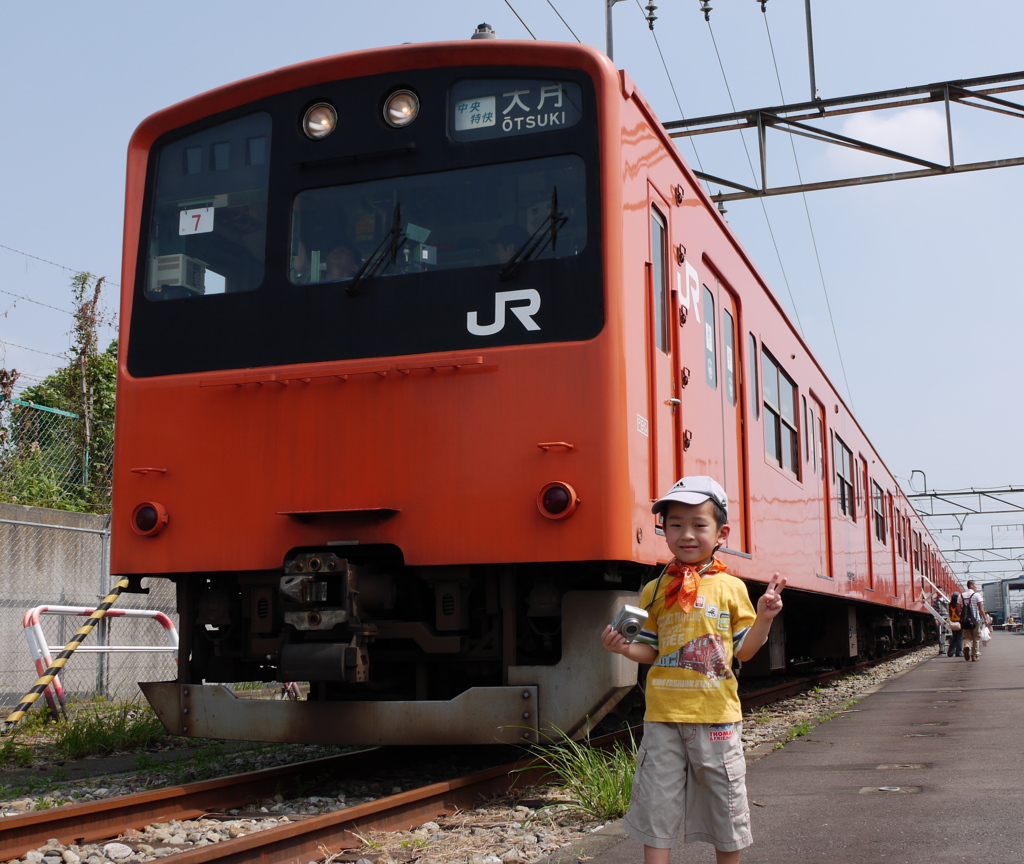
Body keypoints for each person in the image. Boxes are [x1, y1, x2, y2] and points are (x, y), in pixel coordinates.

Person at [601, 475, 785, 864]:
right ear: (663, 531)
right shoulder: (654, 590)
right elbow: (652, 653)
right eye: (675, 525)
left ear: (722, 533)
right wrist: (622, 648)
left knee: (725, 801)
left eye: (699, 525)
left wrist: (765, 618)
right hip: (663, 716)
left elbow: (745, 653)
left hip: (716, 715)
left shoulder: (731, 588)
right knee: (657, 801)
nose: (687, 534)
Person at [958, 580, 990, 662]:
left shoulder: (960, 596)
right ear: (971, 585)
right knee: (976, 638)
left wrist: (961, 618)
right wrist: (985, 619)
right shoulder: (977, 595)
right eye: (976, 585)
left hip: (965, 620)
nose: (977, 587)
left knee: (967, 637)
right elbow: (980, 608)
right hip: (975, 620)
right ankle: (974, 655)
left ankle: (967, 646)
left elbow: (958, 609)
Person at [947, 592, 963, 658]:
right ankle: (958, 653)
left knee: (954, 638)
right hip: (959, 622)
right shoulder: (958, 604)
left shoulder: (950, 604)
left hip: (953, 622)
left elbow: (949, 612)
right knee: (960, 637)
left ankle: (950, 652)